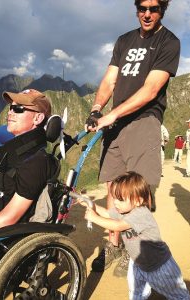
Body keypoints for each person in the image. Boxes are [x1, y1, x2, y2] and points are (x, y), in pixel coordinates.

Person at [85, 0, 180, 275]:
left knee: (137, 191)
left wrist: (113, 115)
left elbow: (151, 90)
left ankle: (134, 248)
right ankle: (113, 244)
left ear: (163, 10)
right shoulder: (124, 40)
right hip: (114, 123)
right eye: (142, 7)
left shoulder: (168, 42)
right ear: (136, 8)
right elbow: (109, 80)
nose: (147, 14)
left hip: (143, 120)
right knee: (113, 187)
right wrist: (96, 109)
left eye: (154, 8)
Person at [0, 89, 58, 270]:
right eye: (10, 107)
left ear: (38, 119)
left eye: (19, 109)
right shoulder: (11, 154)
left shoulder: (36, 162)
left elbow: (9, 219)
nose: (10, 112)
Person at [79, 171, 190, 299]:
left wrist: (94, 218)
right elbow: (108, 213)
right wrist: (90, 204)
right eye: (114, 197)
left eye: (120, 199)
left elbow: (117, 226)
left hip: (159, 266)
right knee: (136, 293)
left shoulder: (141, 213)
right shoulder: (124, 209)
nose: (115, 202)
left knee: (179, 296)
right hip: (138, 263)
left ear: (138, 201)